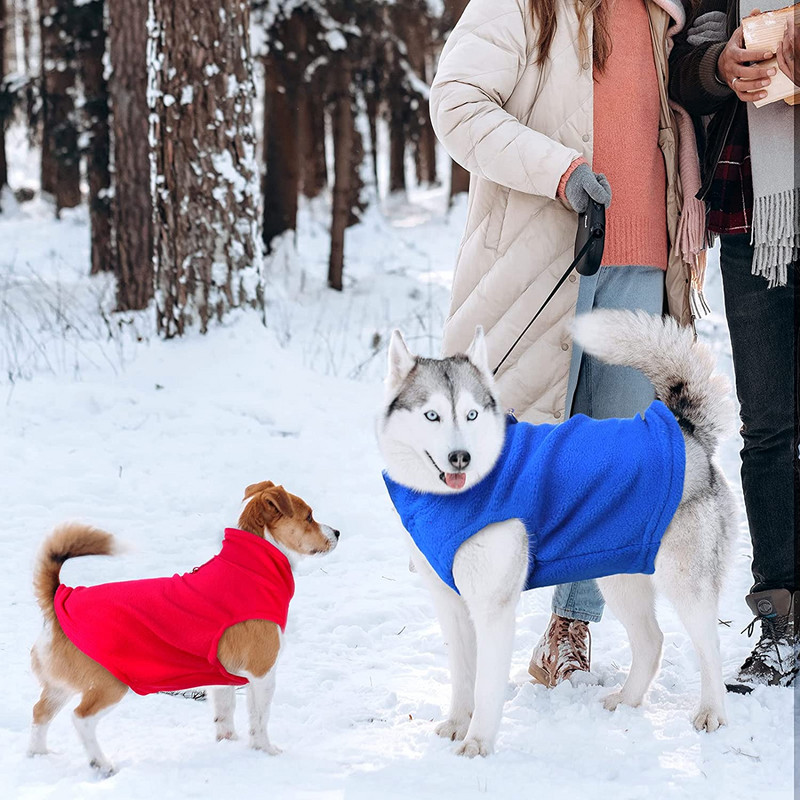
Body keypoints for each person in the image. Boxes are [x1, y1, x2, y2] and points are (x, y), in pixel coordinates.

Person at [429, 0, 705, 685]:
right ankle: (471, 648)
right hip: (539, 260)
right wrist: (558, 168)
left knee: (610, 466)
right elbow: (457, 103)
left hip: (642, 259)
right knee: (501, 450)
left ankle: (571, 628)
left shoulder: (661, 11)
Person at [669, 0, 798, 689]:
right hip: (754, 218)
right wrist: (719, 68)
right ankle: (780, 616)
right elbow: (678, 73)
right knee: (770, 427)